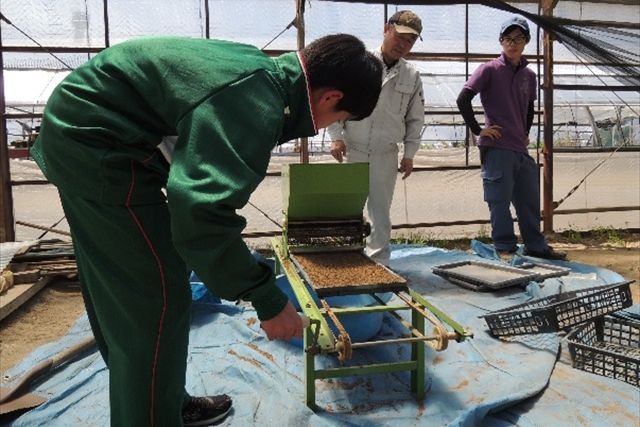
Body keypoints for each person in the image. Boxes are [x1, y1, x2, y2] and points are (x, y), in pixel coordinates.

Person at [31, 34, 383, 426]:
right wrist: (266, 298)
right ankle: (150, 416)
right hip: (98, 146)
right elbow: (201, 212)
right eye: (339, 120)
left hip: (93, 131)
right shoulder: (255, 101)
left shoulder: (263, 75)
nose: (326, 128)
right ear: (330, 97)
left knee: (129, 289)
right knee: (152, 298)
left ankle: (161, 400)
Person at [456, 16, 566, 260]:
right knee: (499, 201)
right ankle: (505, 248)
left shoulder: (529, 75)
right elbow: (463, 99)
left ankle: (535, 246)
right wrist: (478, 130)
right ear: (501, 41)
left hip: (519, 147)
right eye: (507, 38)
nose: (512, 43)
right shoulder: (489, 69)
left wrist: (525, 134)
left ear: (526, 42)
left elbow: (529, 108)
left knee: (528, 200)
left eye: (518, 38)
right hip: (496, 147)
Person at [327, 10, 424, 266]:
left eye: (410, 41)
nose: (404, 45)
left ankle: (378, 264)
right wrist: (337, 137)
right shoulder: (359, 64)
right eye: (400, 37)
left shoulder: (411, 76)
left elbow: (415, 119)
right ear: (386, 29)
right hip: (353, 149)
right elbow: (336, 102)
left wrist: (410, 154)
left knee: (380, 212)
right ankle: (346, 259)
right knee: (348, 207)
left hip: (386, 153)